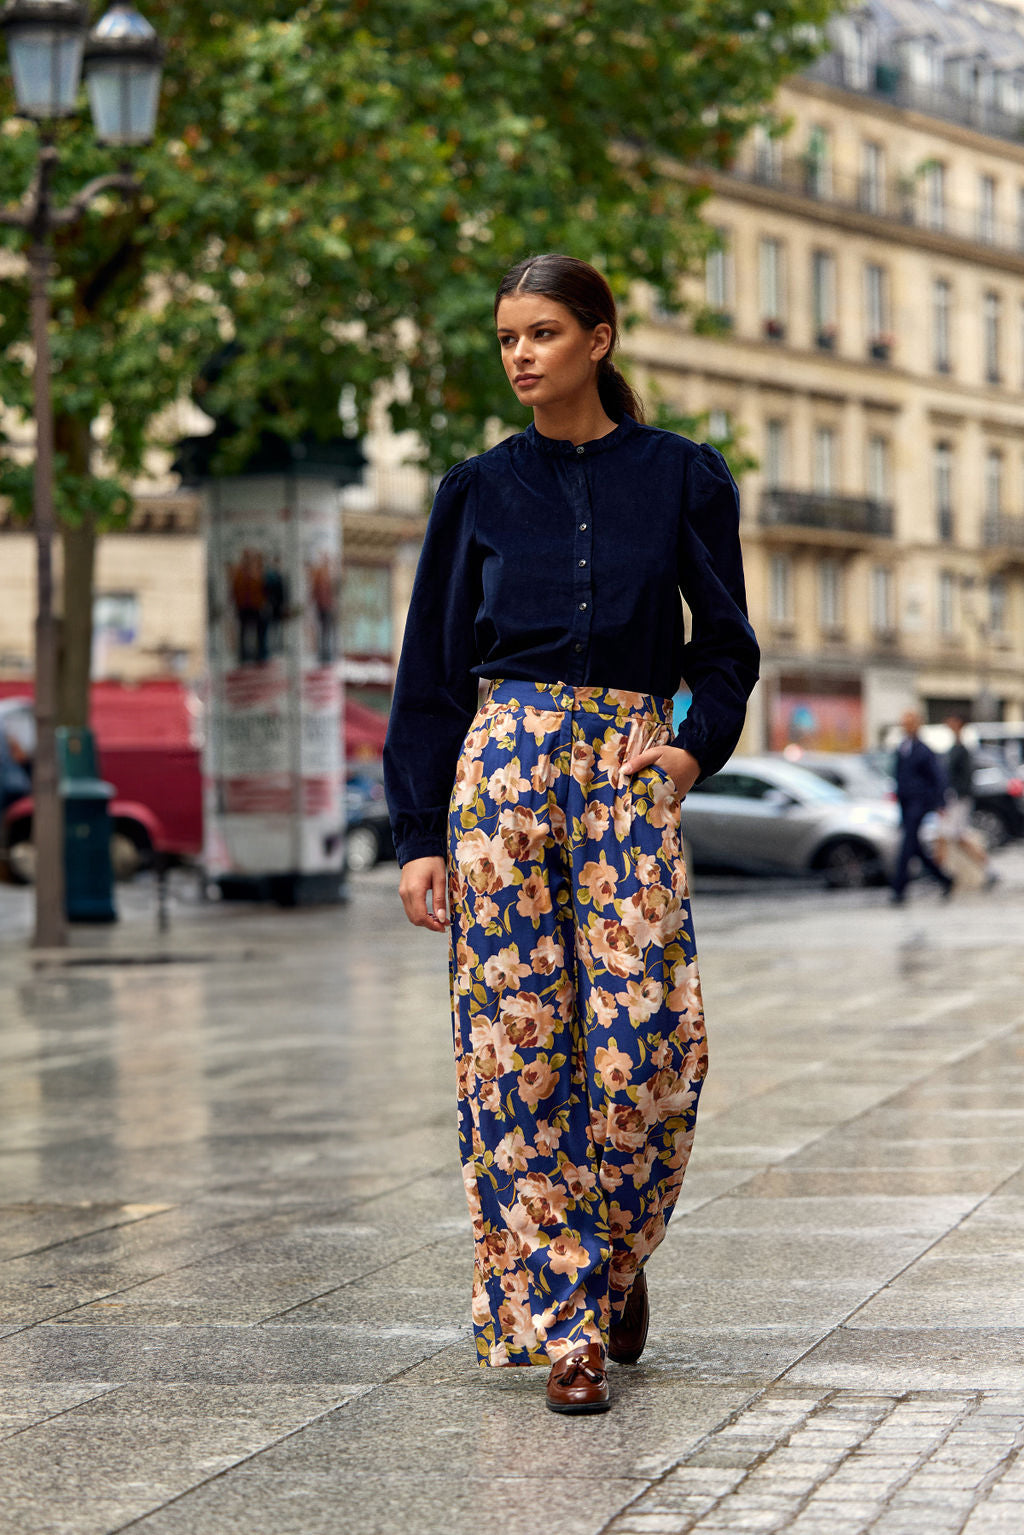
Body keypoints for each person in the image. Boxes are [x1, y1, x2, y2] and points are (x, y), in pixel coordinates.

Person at [383, 253, 759, 1415]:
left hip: (624, 772)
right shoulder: (473, 491)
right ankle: (566, 1319)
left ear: (598, 338)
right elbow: (431, 676)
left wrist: (691, 747)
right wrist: (417, 833)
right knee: (518, 1041)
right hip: (498, 769)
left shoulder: (684, 476)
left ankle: (615, 1251)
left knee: (651, 1043)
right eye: (506, 337)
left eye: (541, 332)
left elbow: (725, 647)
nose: (519, 355)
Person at [890, 709, 953, 905]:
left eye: (909, 722)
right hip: (905, 802)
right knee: (914, 847)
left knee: (907, 846)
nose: (906, 726)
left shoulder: (923, 750)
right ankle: (944, 879)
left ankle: (899, 889)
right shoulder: (902, 748)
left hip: (918, 804)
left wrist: (940, 802)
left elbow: (937, 777)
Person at [936, 712, 997, 888]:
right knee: (955, 837)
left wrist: (953, 796)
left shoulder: (962, 749)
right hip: (955, 798)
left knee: (947, 836)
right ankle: (944, 874)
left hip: (957, 799)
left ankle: (942, 875)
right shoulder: (955, 747)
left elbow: (964, 778)